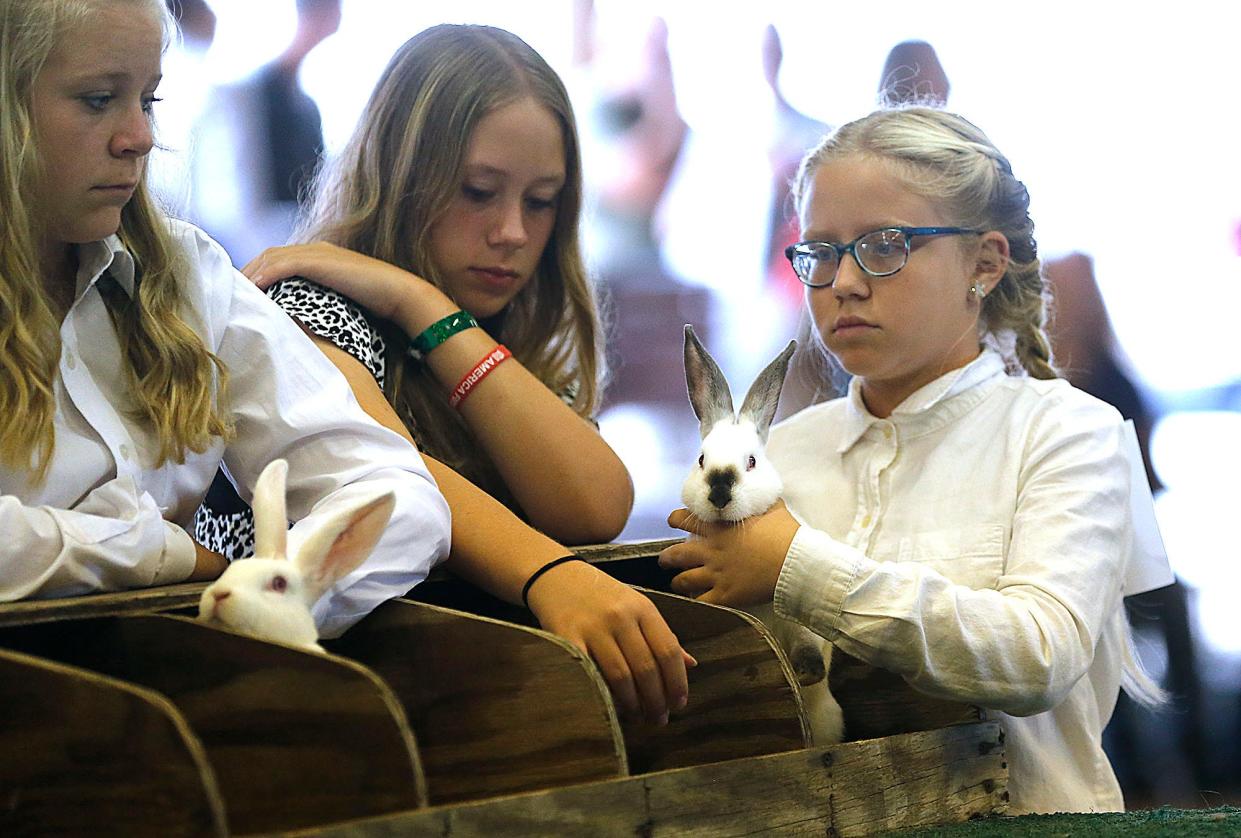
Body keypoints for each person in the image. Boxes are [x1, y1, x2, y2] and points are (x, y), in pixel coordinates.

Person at [658, 106, 1174, 813]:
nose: (842, 280)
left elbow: (1038, 653)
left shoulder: (1067, 433)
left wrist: (795, 568)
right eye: (820, 252)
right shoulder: (781, 454)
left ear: (984, 263)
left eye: (885, 245)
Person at [197, 23, 690, 723]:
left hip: (445, 700)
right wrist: (550, 576)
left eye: (541, 200)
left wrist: (420, 304)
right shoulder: (304, 308)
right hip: (286, 706)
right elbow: (388, 474)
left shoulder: (487, 324)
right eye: (478, 191)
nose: (512, 232)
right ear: (399, 177)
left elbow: (593, 507)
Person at [0, 0, 450, 640]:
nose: (140, 136)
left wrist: (287, 592)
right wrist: (169, 555)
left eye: (148, 100)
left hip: (180, 684)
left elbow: (393, 487)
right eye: (99, 99)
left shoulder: (186, 275)